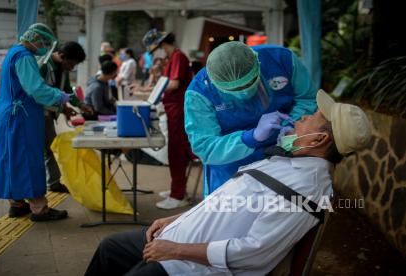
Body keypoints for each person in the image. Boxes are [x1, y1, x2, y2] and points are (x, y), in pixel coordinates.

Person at [84, 90, 372, 276]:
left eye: (312, 118)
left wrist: (174, 250)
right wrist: (177, 218)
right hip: (179, 237)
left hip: (191, 266)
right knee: (110, 249)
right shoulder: (289, 162)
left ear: (319, 140)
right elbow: (227, 202)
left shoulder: (305, 189)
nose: (303, 117)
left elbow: (254, 252)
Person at [185, 41, 319, 196]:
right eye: (234, 89)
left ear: (258, 63)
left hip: (285, 154)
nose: (243, 93)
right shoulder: (199, 92)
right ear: (215, 83)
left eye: (249, 83)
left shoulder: (281, 59)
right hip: (230, 167)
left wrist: (289, 124)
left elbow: (307, 98)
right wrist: (250, 137)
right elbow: (205, 148)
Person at [0, 23, 70, 221]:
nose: (44, 46)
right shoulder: (25, 56)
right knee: (29, 160)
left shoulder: (13, 52)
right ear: (35, 39)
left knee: (12, 160)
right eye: (43, 42)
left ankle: (17, 204)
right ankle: (39, 208)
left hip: (9, 115)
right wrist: (58, 95)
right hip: (21, 117)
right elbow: (35, 89)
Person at [132, 29, 195, 209]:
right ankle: (177, 190)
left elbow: (173, 84)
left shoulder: (178, 57)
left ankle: (178, 195)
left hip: (178, 111)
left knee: (177, 153)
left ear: (161, 44)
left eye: (153, 51)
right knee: (174, 153)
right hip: (173, 110)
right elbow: (165, 83)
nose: (153, 55)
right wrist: (146, 90)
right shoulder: (172, 58)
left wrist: (150, 91)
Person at [39, 41, 92, 193]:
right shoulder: (44, 66)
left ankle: (53, 182)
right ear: (62, 56)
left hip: (49, 114)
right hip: (38, 114)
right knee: (46, 149)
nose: (72, 68)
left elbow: (67, 91)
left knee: (48, 148)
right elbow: (42, 93)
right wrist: (63, 108)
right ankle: (51, 184)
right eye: (72, 63)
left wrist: (79, 105)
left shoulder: (63, 69)